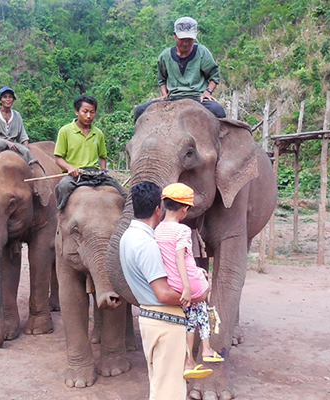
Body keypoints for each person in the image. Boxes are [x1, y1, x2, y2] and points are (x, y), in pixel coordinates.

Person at [119, 182, 211, 400]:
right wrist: (200, 294)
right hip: (166, 321)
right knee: (170, 391)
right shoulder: (147, 244)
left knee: (160, 386)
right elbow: (163, 293)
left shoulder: (127, 238)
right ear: (158, 209)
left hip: (149, 320)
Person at [154, 183, 224, 374]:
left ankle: (189, 360)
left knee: (191, 316)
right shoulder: (182, 230)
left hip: (172, 283)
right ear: (184, 209)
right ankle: (207, 348)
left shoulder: (157, 230)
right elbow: (180, 258)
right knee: (202, 298)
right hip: (188, 282)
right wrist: (188, 286)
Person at [134, 16, 226, 123]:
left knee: (218, 110)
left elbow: (214, 76)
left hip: (197, 98)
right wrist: (164, 94)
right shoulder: (165, 56)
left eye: (190, 39)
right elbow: (162, 79)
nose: (186, 43)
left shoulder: (202, 52)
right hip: (173, 98)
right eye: (182, 39)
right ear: (174, 35)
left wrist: (207, 92)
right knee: (138, 110)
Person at [54, 94, 125, 210]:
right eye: (85, 111)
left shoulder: (98, 133)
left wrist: (103, 170)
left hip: (95, 173)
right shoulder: (65, 131)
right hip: (75, 175)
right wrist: (70, 168)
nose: (89, 116)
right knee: (63, 186)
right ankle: (60, 214)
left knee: (122, 192)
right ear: (77, 112)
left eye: (92, 112)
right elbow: (58, 158)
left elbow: (102, 156)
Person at [0, 86, 34, 163]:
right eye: (5, 97)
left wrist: (25, 148)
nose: (8, 99)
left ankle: (32, 170)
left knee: (26, 151)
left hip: (12, 145)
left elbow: (23, 136)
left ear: (13, 100)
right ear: (0, 100)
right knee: (2, 143)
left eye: (10, 97)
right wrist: (7, 142)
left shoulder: (17, 115)